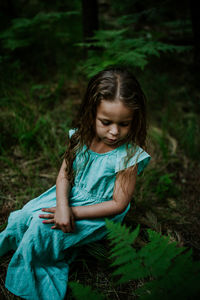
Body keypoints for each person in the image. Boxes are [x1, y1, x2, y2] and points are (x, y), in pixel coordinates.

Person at [0, 66, 151, 300]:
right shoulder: (81, 137)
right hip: (70, 196)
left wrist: (72, 212)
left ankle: (32, 268)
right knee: (24, 215)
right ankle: (11, 242)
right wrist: (62, 205)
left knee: (42, 228)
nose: (114, 132)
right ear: (92, 114)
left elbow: (119, 204)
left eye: (124, 124)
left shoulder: (127, 156)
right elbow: (65, 175)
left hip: (99, 211)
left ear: (134, 119)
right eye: (106, 122)